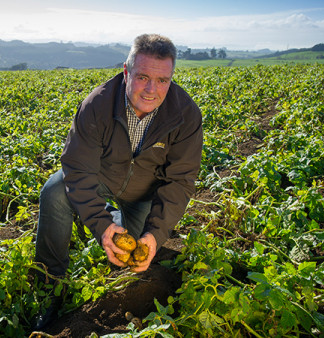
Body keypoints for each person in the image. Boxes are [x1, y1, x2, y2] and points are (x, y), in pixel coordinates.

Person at [31, 33, 203, 330]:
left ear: (172, 78)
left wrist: (155, 234)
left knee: (130, 260)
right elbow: (78, 168)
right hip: (103, 179)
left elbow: (180, 182)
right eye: (143, 77)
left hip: (145, 194)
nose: (152, 89)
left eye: (163, 80)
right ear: (126, 72)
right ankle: (50, 286)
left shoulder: (185, 115)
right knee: (55, 190)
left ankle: (120, 219)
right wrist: (101, 226)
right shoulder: (98, 104)